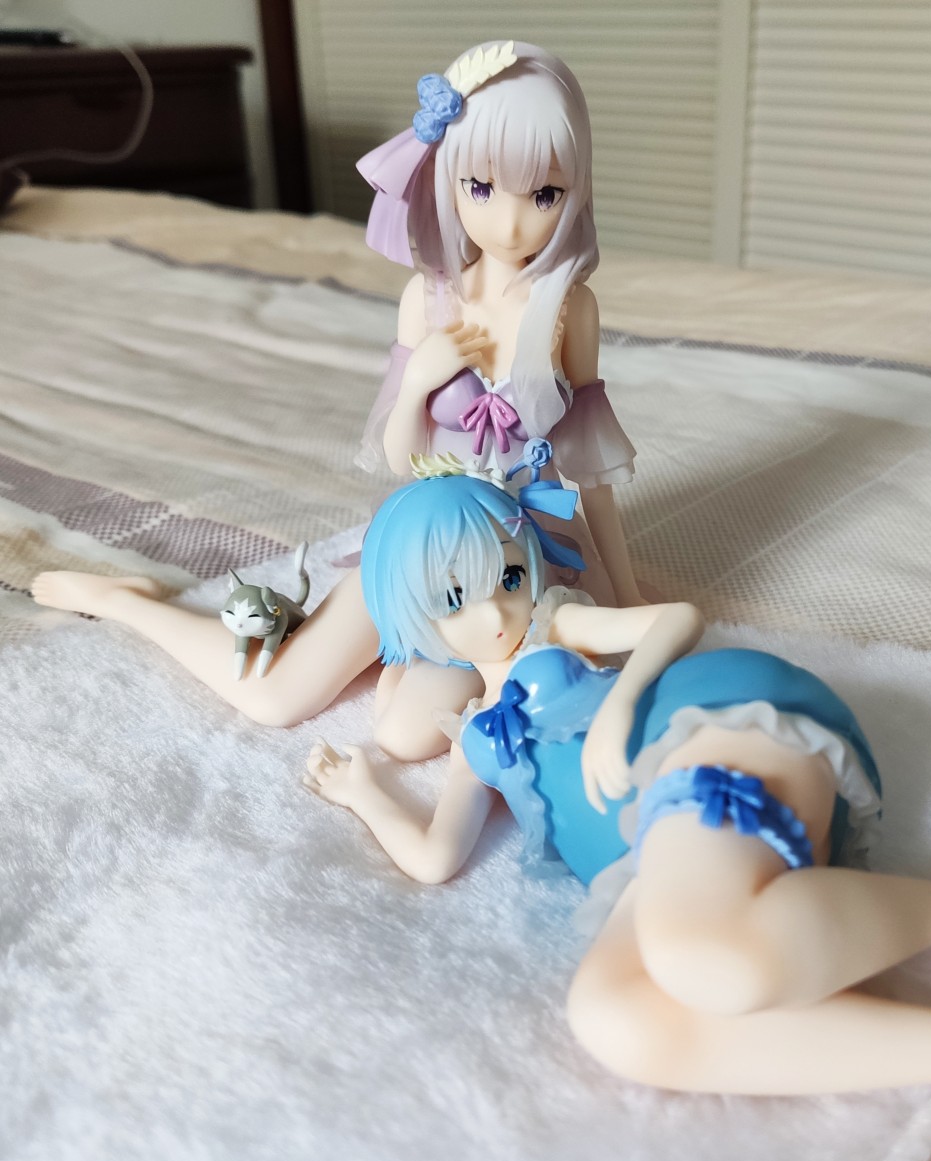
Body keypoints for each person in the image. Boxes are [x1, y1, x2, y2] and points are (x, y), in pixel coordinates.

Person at [302, 448, 931, 1114]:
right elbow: (436, 857)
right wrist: (365, 792)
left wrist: (620, 711)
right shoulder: (477, 740)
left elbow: (675, 619)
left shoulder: (558, 626)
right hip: (655, 856)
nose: (494, 610)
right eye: (454, 600)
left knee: (698, 958)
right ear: (414, 621)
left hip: (706, 735)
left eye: (506, 574)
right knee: (617, 1016)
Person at [31, 41, 643, 762]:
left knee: (418, 733)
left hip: (521, 556)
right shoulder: (429, 298)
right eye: (481, 187)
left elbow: (592, 472)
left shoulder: (569, 309)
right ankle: (125, 601)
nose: (511, 224)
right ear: (447, 176)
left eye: (544, 195)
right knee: (276, 697)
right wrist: (419, 381)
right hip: (429, 535)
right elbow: (400, 457)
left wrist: (627, 592)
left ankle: (405, 660)